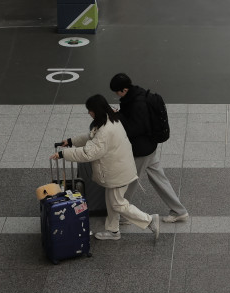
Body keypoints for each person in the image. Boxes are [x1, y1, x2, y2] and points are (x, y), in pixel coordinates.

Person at [52, 94, 161, 241]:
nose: (88, 113)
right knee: (112, 202)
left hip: (117, 173)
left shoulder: (105, 130)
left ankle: (149, 220)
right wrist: (72, 141)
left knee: (118, 204)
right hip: (118, 169)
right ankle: (113, 231)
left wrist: (63, 154)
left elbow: (88, 152)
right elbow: (92, 138)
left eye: (90, 110)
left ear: (96, 110)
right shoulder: (110, 120)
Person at [110, 73, 190, 224]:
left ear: (124, 90)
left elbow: (134, 128)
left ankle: (123, 212)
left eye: (117, 91)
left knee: (130, 180)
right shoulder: (138, 94)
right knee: (159, 179)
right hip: (149, 147)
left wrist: (118, 116)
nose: (116, 94)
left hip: (141, 150)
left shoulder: (136, 104)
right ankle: (179, 211)